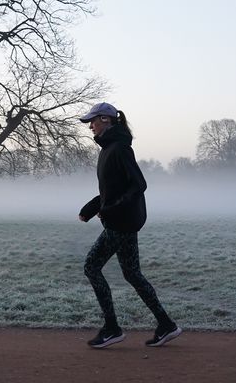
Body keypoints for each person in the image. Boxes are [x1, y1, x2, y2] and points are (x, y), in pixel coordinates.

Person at [77, 101, 182, 349]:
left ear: (105, 119)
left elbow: (138, 185)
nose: (90, 126)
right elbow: (113, 189)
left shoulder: (120, 148)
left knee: (91, 266)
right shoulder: (109, 149)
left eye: (93, 121)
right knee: (132, 273)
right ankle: (166, 325)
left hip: (121, 222)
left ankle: (112, 328)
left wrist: (109, 209)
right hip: (122, 221)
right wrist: (93, 208)